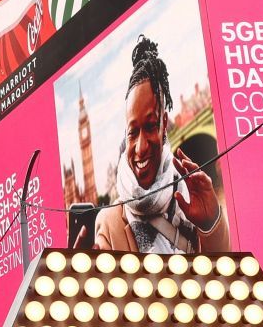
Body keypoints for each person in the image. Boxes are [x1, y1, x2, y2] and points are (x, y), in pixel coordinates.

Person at [93, 38, 229, 254]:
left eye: (149, 126)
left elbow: (221, 281)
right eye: (132, 132)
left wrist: (210, 223)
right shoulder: (110, 224)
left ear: (164, 123)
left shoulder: (188, 198)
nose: (140, 147)